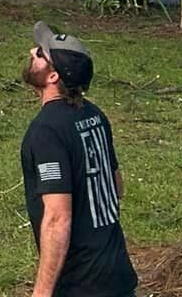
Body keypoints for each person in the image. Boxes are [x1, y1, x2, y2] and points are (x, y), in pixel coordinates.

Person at [20, 22, 137, 297]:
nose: (32, 51)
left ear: (52, 77)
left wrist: (41, 292)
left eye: (40, 53)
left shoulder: (45, 132)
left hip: (81, 285)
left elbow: (57, 218)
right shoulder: (94, 115)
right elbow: (117, 187)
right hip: (117, 275)